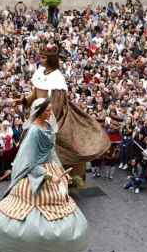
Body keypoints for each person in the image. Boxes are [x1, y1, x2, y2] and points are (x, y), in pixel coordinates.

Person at [0, 98, 89, 252]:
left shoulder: (48, 126)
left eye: (50, 110)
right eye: (47, 110)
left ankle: (56, 248)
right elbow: (29, 161)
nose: (50, 113)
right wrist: (49, 176)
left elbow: (52, 152)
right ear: (39, 111)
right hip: (37, 172)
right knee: (30, 201)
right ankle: (29, 251)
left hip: (51, 167)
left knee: (60, 197)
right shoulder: (34, 132)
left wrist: (61, 171)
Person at [18, 42, 110, 180]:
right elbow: (34, 93)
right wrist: (24, 101)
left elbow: (56, 104)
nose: (40, 59)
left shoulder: (57, 78)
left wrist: (44, 120)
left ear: (51, 59)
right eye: (41, 57)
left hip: (51, 116)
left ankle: (62, 178)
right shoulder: (39, 72)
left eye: (43, 57)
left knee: (58, 145)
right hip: (38, 114)